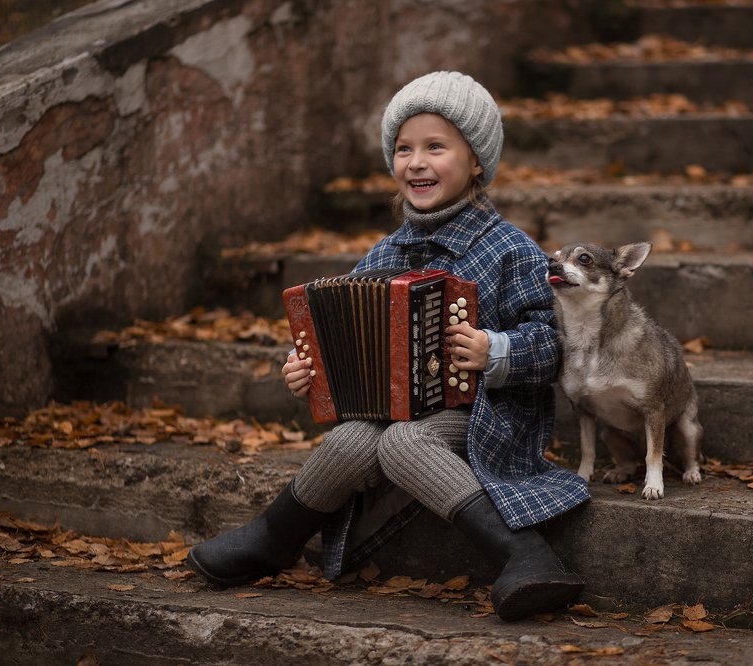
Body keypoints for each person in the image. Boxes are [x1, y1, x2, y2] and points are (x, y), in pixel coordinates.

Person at [187, 71, 591, 621]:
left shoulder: (510, 248)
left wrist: (494, 350)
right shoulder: (386, 251)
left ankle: (525, 554)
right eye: (404, 149)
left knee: (402, 443)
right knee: (355, 438)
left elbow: (552, 344)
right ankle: (272, 538)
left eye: (435, 147)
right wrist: (309, 370)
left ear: (477, 162)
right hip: (398, 412)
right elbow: (340, 334)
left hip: (487, 412)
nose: (416, 162)